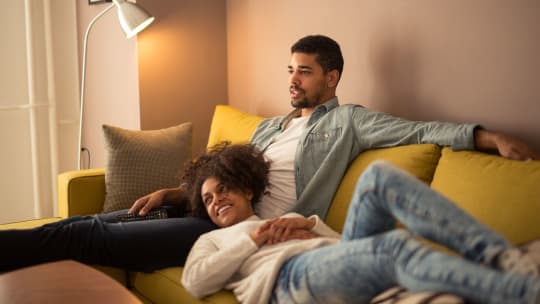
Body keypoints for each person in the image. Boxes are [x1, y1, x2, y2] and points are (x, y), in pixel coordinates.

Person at [1, 35, 538, 273]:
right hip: (205, 207)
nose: (293, 80)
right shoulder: (271, 127)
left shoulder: (349, 121)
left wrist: (488, 137)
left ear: (332, 77)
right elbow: (222, 170)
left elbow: (421, 127)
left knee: (83, 236)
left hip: (236, 228)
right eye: (290, 69)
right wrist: (177, 192)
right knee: (89, 220)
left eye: (304, 71)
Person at [180, 143, 540, 304]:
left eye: (222, 190)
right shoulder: (214, 241)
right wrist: (254, 242)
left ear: (245, 188)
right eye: (208, 199)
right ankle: (522, 294)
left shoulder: (281, 218)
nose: (216, 202)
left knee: (380, 176)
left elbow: (349, 251)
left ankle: (500, 257)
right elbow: (195, 282)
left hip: (331, 263)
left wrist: (307, 225)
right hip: (288, 281)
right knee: (392, 249)